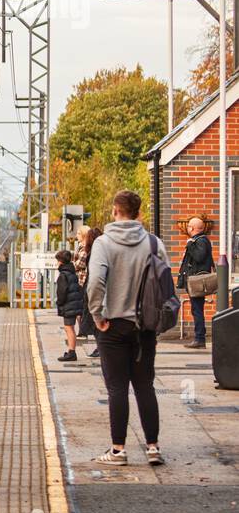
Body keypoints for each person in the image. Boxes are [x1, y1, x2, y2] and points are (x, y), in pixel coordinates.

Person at [85, 189, 166, 467]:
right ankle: (153, 447)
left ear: (115, 211)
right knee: (145, 385)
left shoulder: (104, 244)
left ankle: (118, 451)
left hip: (113, 325)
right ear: (139, 213)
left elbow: (95, 282)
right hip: (145, 326)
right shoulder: (154, 244)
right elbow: (166, 283)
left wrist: (97, 315)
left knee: (117, 388)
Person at [176, 215, 214, 350]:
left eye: (189, 226)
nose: (187, 227)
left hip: (197, 283)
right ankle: (199, 338)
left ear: (192, 228)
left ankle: (199, 338)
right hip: (194, 282)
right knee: (196, 309)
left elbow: (199, 257)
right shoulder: (199, 240)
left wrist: (190, 245)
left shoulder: (201, 241)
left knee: (197, 310)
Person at [75, 225, 102, 358]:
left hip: (93, 288)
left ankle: (101, 347)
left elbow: (92, 273)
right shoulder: (100, 251)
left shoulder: (91, 253)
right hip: (96, 289)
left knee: (95, 318)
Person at [54, 249, 84, 362]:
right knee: (70, 327)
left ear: (61, 262)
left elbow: (62, 292)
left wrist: (59, 303)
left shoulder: (63, 275)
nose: (57, 263)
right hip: (74, 303)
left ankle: (72, 352)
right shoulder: (72, 272)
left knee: (69, 328)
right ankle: (71, 351)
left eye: (57, 261)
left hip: (68, 305)